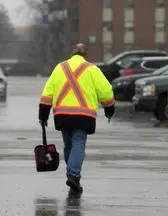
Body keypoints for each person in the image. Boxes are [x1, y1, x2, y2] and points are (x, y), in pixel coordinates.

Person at [38, 43, 115, 193]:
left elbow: (48, 92)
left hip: (62, 115)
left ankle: (72, 175)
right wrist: (109, 109)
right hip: (83, 115)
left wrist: (43, 115)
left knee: (69, 144)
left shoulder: (60, 68)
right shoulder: (92, 69)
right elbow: (106, 91)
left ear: (72, 54)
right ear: (85, 55)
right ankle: (73, 175)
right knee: (78, 143)